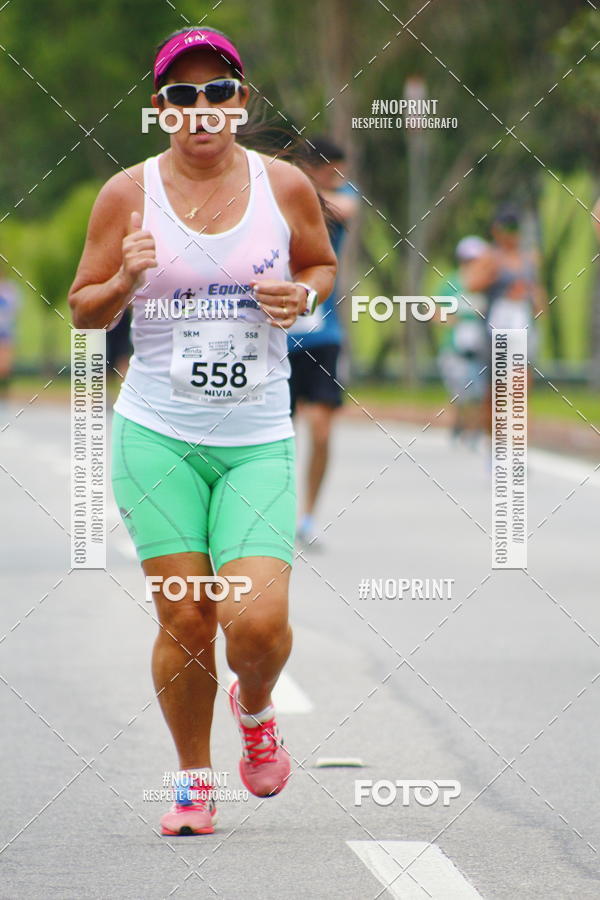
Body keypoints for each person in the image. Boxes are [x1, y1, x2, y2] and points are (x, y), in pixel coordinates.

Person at [68, 26, 336, 836]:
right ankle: (192, 780)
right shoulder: (126, 194)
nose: (201, 109)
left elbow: (320, 263)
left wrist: (304, 296)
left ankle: (254, 708)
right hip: (156, 434)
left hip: (256, 437)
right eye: (182, 96)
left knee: (256, 624)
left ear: (240, 100)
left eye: (217, 92)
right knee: (186, 617)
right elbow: (83, 309)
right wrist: (125, 277)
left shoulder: (284, 185)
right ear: (160, 109)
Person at [286, 138, 359, 546]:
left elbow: (344, 208)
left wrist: (298, 188)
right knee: (278, 434)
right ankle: (275, 511)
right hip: (276, 337)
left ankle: (309, 515)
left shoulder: (339, 197)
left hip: (322, 334)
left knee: (321, 429)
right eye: (331, 170)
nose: (339, 178)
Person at [464, 207, 545, 431]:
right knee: (496, 384)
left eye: (514, 228)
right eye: (506, 228)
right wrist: (494, 276)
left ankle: (516, 429)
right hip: (496, 327)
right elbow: (471, 284)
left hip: (522, 325)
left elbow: (537, 291)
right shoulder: (490, 257)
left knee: (521, 378)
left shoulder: (529, 258)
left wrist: (534, 300)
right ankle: (492, 430)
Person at [437, 236, 489, 444]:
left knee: (479, 388)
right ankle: (458, 423)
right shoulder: (451, 284)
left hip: (480, 344)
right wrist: (453, 320)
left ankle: (474, 429)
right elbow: (435, 311)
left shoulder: (487, 283)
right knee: (460, 388)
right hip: (455, 346)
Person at [0, 262, 21, 405]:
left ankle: (5, 393)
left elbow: (13, 310)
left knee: (5, 365)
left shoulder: (9, 290)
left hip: (5, 331)